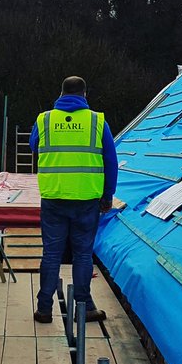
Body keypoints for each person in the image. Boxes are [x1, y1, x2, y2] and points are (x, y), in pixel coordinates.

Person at [29, 75, 119, 323]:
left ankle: (44, 309)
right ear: (84, 95)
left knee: (51, 254)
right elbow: (111, 162)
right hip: (86, 199)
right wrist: (107, 194)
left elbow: (33, 146)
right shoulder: (97, 121)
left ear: (60, 94)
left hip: (54, 197)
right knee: (82, 254)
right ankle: (84, 306)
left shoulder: (45, 119)